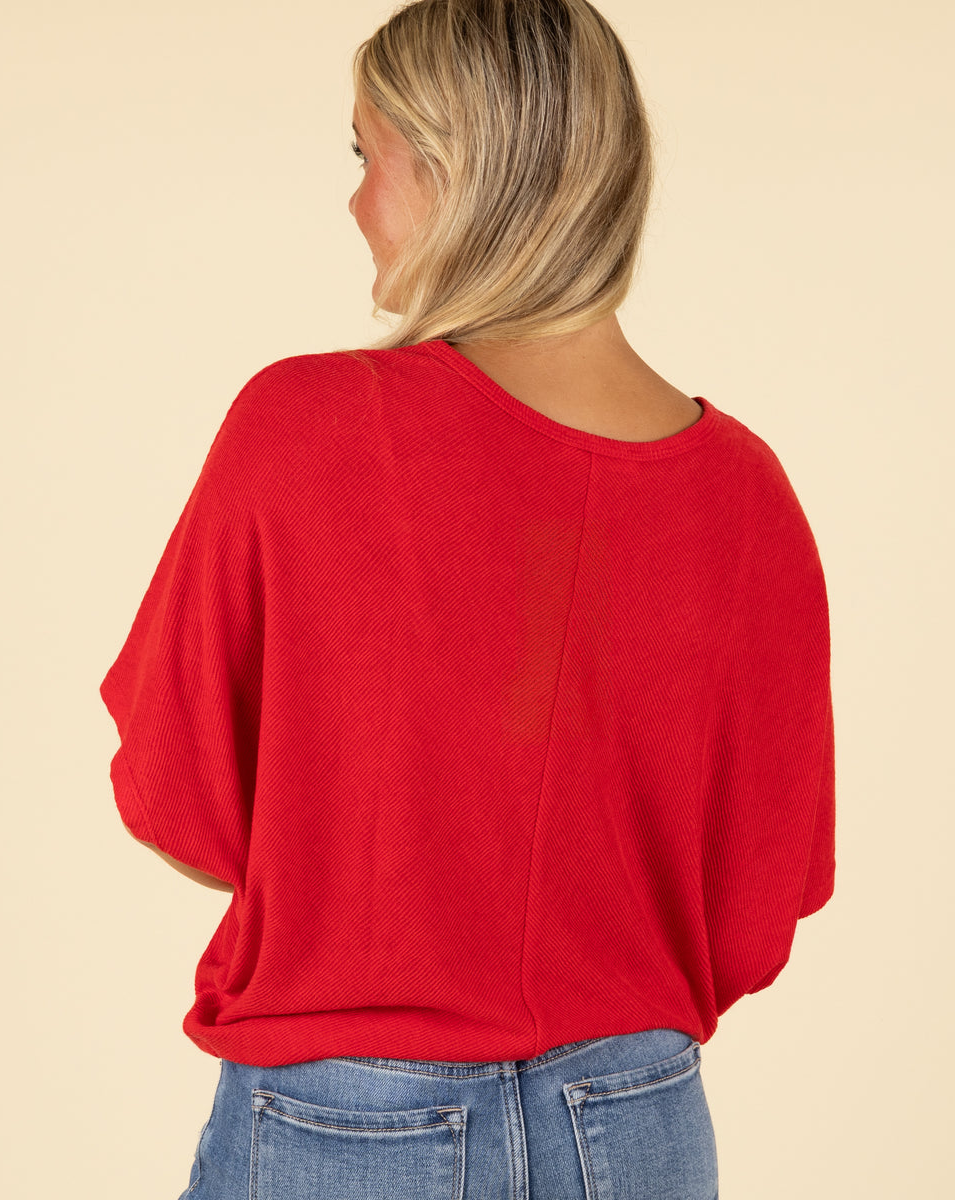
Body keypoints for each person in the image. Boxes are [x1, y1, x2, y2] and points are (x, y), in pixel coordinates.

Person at [98, 1, 835, 1197]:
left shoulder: (306, 426)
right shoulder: (747, 494)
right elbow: (756, 908)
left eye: (363, 153)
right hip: (637, 1123)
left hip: (350, 1122)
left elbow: (178, 799)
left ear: (454, 168)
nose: (353, 203)